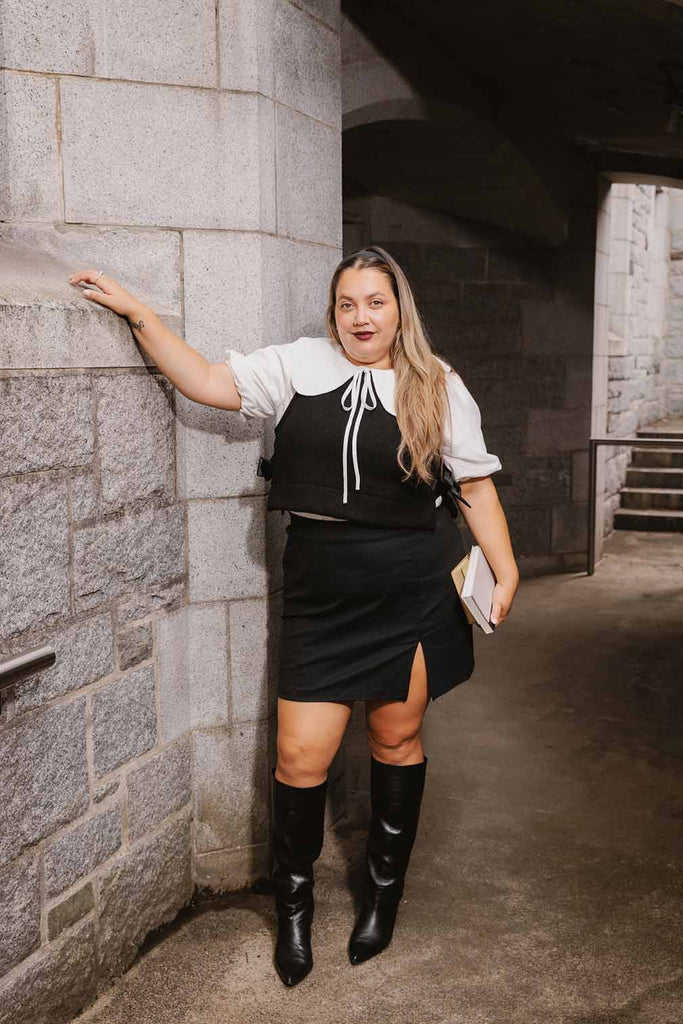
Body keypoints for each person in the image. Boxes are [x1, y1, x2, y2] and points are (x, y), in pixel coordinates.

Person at [67, 246, 519, 988]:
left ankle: (383, 895)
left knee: (395, 738)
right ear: (332, 312)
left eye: (375, 301)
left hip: (411, 588)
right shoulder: (297, 366)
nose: (361, 317)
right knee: (299, 760)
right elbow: (208, 380)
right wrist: (138, 313)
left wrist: (505, 569)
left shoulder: (436, 384)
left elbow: (475, 486)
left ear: (398, 308)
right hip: (323, 592)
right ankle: (295, 909)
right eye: (347, 304)